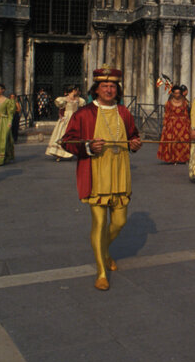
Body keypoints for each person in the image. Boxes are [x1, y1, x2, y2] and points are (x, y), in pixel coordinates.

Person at [59, 66, 142, 291]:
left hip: (120, 172)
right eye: (104, 86)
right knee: (99, 222)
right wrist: (88, 146)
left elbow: (133, 135)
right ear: (95, 89)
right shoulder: (83, 114)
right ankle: (101, 271)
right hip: (96, 173)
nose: (108, 89)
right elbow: (67, 141)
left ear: (118, 89)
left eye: (112, 86)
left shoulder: (123, 112)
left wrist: (135, 144)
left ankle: (104, 251)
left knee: (119, 222)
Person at [47, 86, 84, 161]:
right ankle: (59, 153)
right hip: (67, 118)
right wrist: (61, 117)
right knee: (63, 133)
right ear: (73, 90)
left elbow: (80, 109)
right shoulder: (64, 99)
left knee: (75, 134)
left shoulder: (79, 100)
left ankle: (73, 152)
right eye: (76, 90)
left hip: (75, 117)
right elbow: (61, 109)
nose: (77, 91)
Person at [158, 85, 193, 164]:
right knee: (173, 142)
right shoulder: (168, 103)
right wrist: (165, 125)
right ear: (173, 93)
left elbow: (186, 114)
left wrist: (189, 125)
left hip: (183, 125)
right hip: (172, 125)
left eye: (179, 93)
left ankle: (185, 158)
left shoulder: (185, 103)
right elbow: (166, 114)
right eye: (176, 93)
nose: (177, 95)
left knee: (184, 141)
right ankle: (174, 159)